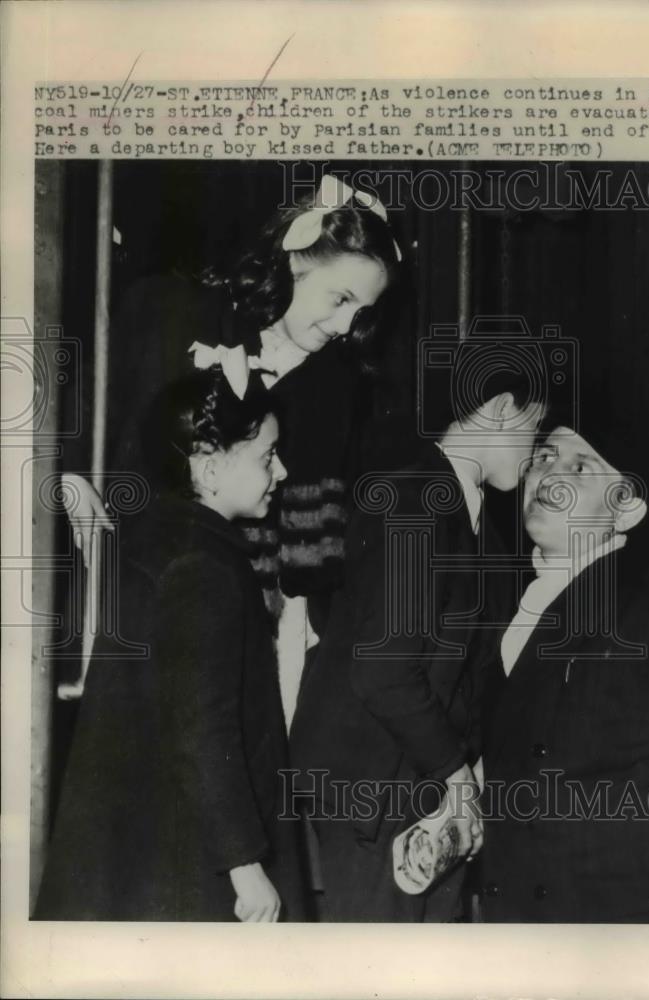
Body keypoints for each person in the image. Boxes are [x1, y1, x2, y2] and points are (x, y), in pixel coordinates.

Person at [59, 173, 402, 723]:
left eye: (361, 313)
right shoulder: (173, 312)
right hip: (132, 576)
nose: (345, 325)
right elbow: (87, 406)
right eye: (339, 299)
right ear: (294, 262)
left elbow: (314, 561)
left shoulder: (337, 386)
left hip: (255, 619)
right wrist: (72, 479)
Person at [34, 369, 305, 921]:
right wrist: (246, 864)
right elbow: (202, 726)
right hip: (194, 860)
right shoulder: (204, 566)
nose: (282, 470)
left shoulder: (154, 536)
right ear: (207, 467)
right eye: (266, 456)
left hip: (141, 845)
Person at [289, 351, 546, 922]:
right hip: (375, 791)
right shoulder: (412, 499)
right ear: (502, 409)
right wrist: (458, 776)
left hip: (421, 785)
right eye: (534, 427)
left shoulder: (479, 524)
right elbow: (381, 671)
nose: (532, 453)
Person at [478, 410, 649, 923]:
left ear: (627, 509)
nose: (550, 474)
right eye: (545, 457)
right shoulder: (508, 610)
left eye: (580, 468)